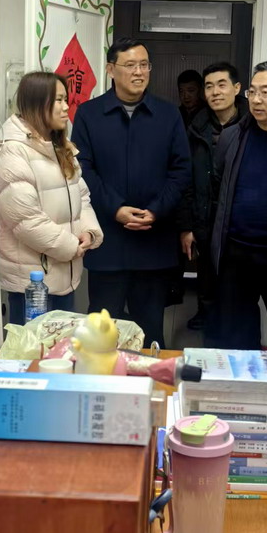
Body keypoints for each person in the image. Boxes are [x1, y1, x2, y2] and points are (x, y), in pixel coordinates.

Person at [72, 38, 191, 347]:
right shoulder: (89, 114)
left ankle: (151, 379)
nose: (139, 72)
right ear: (111, 69)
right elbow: (83, 169)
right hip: (108, 242)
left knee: (150, 333)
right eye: (130, 65)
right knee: (101, 335)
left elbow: (181, 170)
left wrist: (156, 209)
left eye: (144, 65)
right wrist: (116, 208)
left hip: (153, 243)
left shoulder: (168, 115)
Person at [208, 61, 267, 350]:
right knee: (237, 341)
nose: (256, 99)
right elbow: (218, 188)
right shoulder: (232, 136)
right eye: (252, 92)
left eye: (266, 92)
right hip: (236, 254)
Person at [0, 72, 103, 323]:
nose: (66, 108)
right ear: (37, 103)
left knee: (61, 345)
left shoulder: (60, 146)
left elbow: (81, 196)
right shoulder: (14, 152)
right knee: (33, 346)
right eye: (59, 100)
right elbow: (27, 221)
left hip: (64, 275)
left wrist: (88, 231)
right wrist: (71, 247)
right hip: (33, 285)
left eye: (66, 100)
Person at [177, 61, 249, 333]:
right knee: (206, 279)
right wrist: (186, 227)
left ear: (237, 88)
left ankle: (232, 332)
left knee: (238, 290)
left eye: (222, 85)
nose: (215, 92)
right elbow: (184, 180)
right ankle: (208, 324)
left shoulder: (252, 124)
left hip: (239, 224)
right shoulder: (195, 128)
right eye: (209, 86)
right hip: (204, 219)